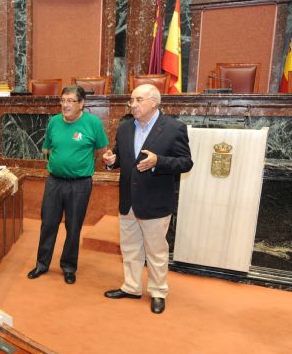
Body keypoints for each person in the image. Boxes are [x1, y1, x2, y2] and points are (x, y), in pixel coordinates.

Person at [103, 84, 193, 314]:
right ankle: (132, 287)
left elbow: (185, 162)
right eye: (131, 100)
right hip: (128, 201)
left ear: (154, 102)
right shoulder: (124, 127)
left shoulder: (174, 128)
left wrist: (158, 162)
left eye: (138, 100)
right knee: (130, 248)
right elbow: (123, 159)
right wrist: (112, 161)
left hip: (155, 201)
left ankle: (158, 292)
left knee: (156, 251)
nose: (132, 104)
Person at [27, 86, 108, 285]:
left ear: (81, 104)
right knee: (48, 224)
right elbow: (46, 148)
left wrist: (79, 164)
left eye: (70, 101)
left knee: (73, 227)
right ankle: (42, 264)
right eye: (63, 100)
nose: (65, 105)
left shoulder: (93, 123)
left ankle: (69, 266)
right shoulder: (54, 122)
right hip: (54, 182)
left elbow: (102, 150)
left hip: (80, 185)